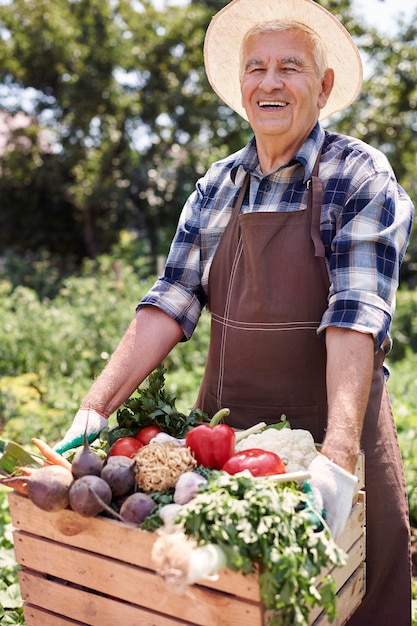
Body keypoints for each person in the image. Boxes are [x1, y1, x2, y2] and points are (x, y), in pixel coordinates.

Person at [54, 0, 414, 623]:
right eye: (256, 67)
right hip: (226, 451)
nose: (270, 82)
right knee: (215, 607)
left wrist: (335, 459)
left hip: (336, 443)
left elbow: (356, 315)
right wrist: (95, 408)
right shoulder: (218, 186)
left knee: (353, 602)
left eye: (290, 67)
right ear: (241, 85)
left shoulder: (358, 176)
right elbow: (170, 300)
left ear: (323, 87)